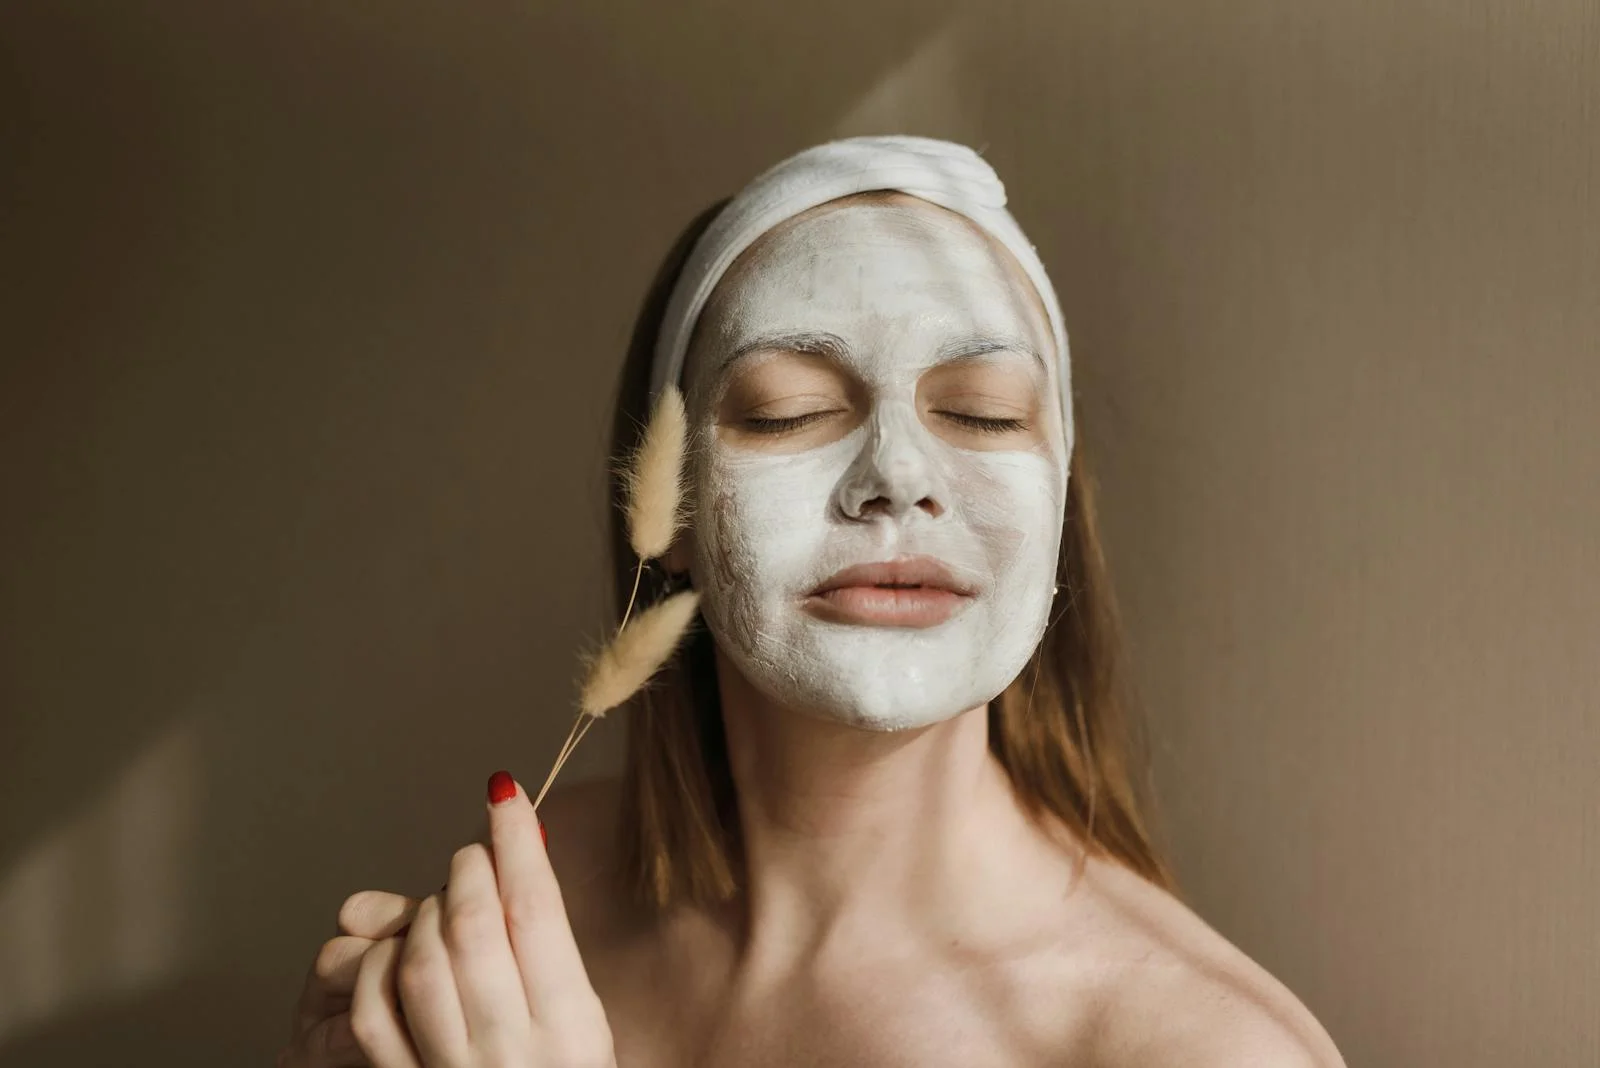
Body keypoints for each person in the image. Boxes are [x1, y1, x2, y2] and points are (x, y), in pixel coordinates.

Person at [278, 137, 1346, 1067]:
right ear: (672, 504)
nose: (898, 473)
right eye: (789, 414)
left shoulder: (1199, 1050)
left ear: (1061, 498)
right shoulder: (547, 893)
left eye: (979, 415)